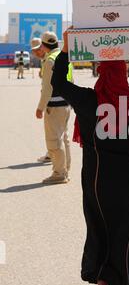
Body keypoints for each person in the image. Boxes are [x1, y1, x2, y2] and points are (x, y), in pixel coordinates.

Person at [51, 29, 129, 285]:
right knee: (128, 238)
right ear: (124, 74)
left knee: (101, 229)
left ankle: (103, 281)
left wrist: (66, 50)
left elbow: (58, 83)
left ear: (101, 73)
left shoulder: (89, 100)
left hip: (96, 182)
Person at [36, 31, 72, 184]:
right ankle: (65, 169)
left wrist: (40, 107)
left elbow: (47, 88)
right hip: (66, 104)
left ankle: (59, 174)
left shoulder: (50, 60)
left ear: (43, 46)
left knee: (53, 140)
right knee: (64, 139)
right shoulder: (65, 57)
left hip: (55, 106)